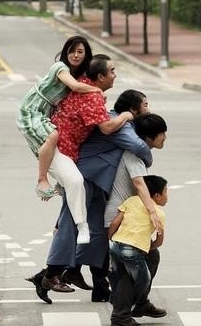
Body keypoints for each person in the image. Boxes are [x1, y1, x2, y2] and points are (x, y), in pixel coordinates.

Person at [26, 89, 153, 304]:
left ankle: (79, 274)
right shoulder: (120, 124)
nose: (148, 108)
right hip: (84, 178)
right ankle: (48, 276)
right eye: (146, 104)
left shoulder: (117, 120)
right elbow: (137, 146)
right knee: (70, 225)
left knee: (97, 232)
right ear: (133, 109)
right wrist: (149, 159)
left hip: (94, 180)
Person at [34, 55, 136, 292]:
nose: (115, 74)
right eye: (111, 71)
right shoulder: (91, 94)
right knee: (72, 219)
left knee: (95, 222)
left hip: (76, 159)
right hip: (67, 157)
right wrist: (126, 116)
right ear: (99, 77)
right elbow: (107, 127)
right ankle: (51, 274)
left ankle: (80, 273)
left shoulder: (88, 90)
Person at [16, 36, 102, 244]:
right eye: (72, 50)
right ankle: (42, 179)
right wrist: (96, 89)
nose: (75, 55)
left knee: (74, 179)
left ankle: (80, 222)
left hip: (44, 114)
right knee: (53, 135)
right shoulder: (60, 67)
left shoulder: (79, 74)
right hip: (31, 110)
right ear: (66, 52)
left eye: (80, 52)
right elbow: (75, 87)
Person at [107, 113, 169, 326]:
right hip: (121, 216)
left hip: (127, 215)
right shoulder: (134, 155)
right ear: (150, 137)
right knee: (129, 269)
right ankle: (121, 315)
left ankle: (139, 302)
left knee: (151, 256)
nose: (165, 138)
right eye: (162, 134)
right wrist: (153, 211)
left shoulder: (138, 154)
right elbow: (140, 185)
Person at [109, 175, 168, 326]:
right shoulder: (158, 214)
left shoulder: (131, 201)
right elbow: (159, 240)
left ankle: (136, 305)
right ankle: (123, 314)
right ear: (156, 195)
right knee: (142, 279)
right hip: (132, 250)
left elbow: (115, 222)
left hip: (116, 244)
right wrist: (147, 247)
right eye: (166, 191)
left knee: (121, 274)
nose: (168, 195)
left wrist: (110, 238)